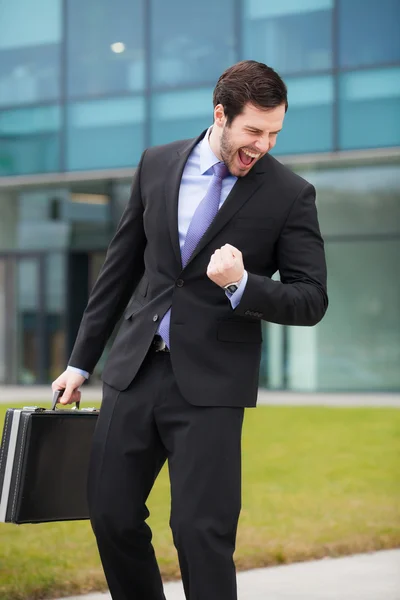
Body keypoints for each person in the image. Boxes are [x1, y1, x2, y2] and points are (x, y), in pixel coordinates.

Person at [52, 60, 328, 600]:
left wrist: (243, 284)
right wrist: (79, 362)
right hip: (134, 370)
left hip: (212, 386)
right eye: (253, 131)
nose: (263, 146)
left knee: (201, 532)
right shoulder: (157, 165)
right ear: (220, 114)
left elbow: (311, 299)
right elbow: (120, 269)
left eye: (274, 133)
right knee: (110, 514)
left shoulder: (291, 194)